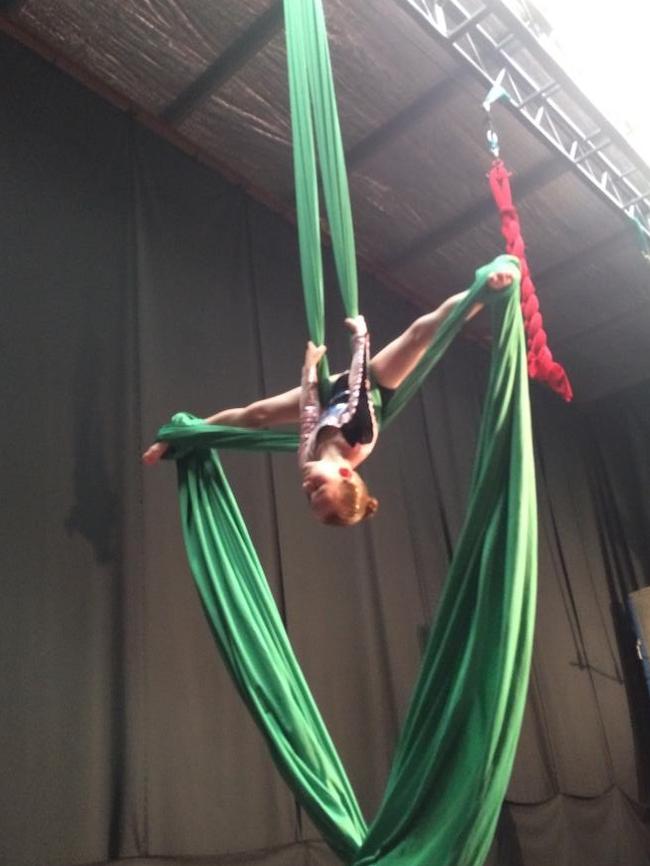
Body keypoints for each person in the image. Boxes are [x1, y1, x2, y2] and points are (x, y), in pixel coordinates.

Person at [143, 268, 516, 526]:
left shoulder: (309, 458)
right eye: (319, 489)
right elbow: (357, 389)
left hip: (324, 404)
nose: (307, 486)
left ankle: (186, 433)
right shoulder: (359, 441)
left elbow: (308, 416)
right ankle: (483, 291)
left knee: (255, 415)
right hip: (367, 386)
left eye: (309, 496)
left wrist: (308, 369)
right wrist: (361, 339)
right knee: (419, 336)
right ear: (344, 473)